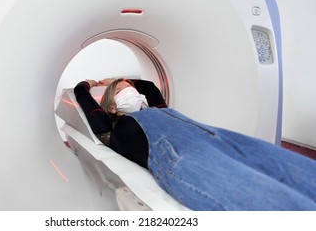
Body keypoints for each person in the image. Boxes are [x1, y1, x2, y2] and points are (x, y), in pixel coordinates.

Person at [74, 78, 316, 211]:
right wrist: (86, 86)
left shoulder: (158, 108)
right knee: (271, 200)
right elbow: (87, 103)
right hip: (180, 155)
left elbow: (147, 85)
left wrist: (119, 80)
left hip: (220, 137)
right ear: (112, 106)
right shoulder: (113, 129)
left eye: (130, 88)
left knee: (298, 170)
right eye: (123, 90)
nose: (132, 91)